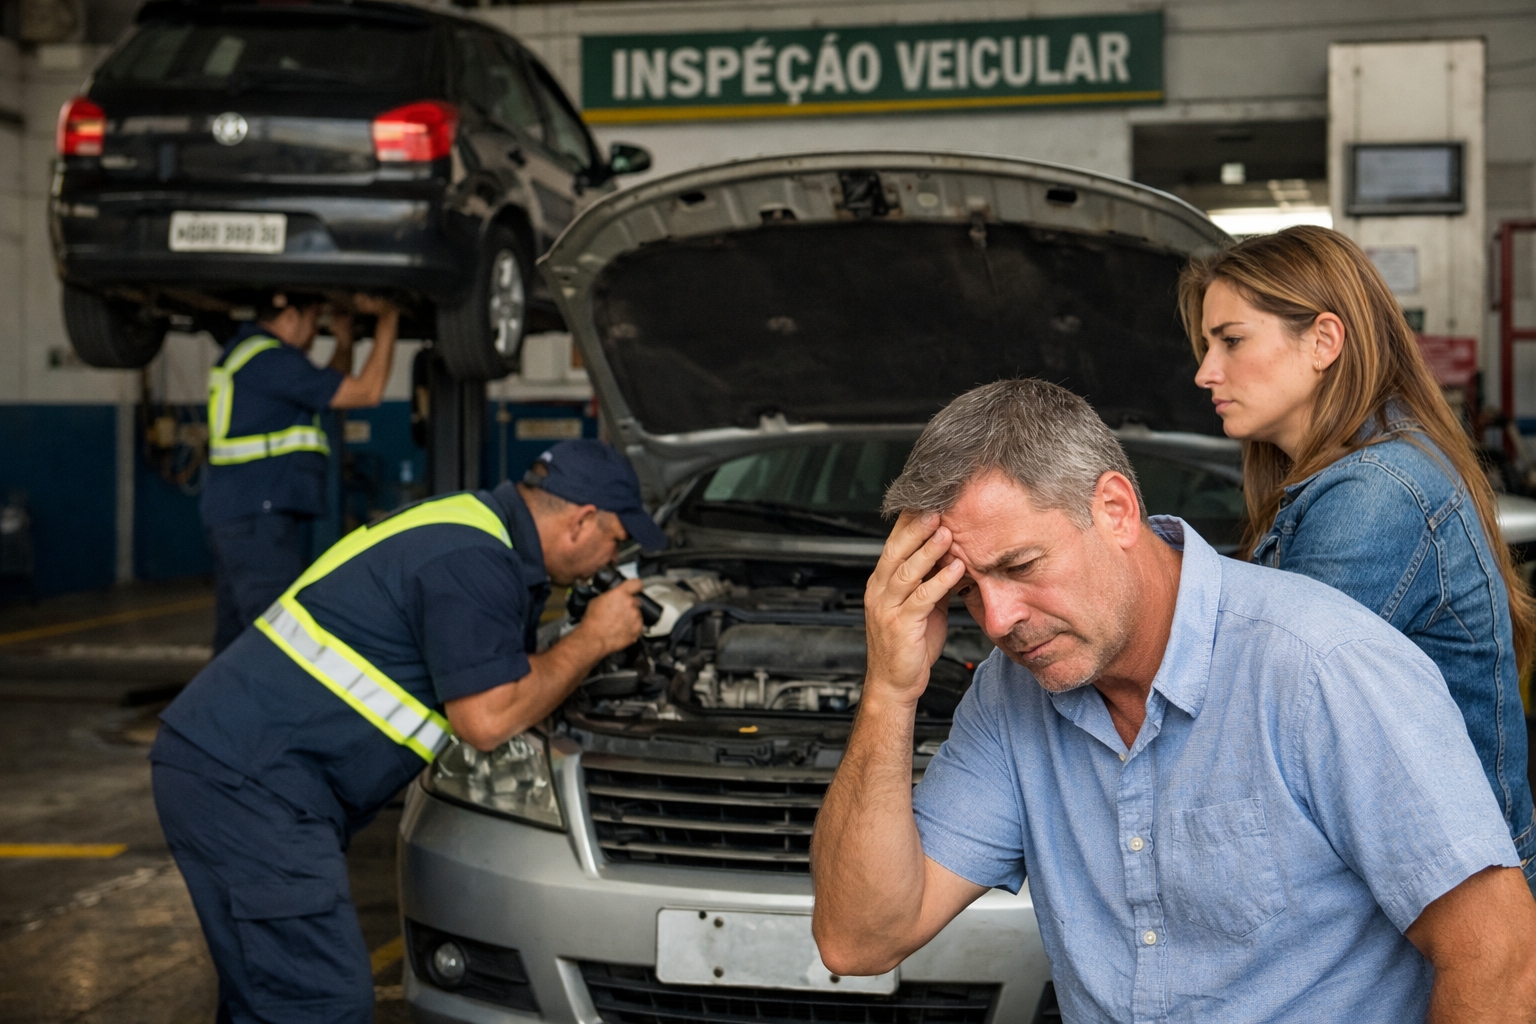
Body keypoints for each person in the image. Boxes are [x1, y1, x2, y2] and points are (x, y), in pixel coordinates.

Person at [811, 379, 1536, 1024]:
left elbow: (1501, 960)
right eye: (968, 590)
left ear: (1116, 509)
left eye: (1021, 566)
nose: (998, 621)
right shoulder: (1008, 695)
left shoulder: (1320, 667)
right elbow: (859, 938)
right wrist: (889, 691)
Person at [152, 439, 669, 1024]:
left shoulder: (473, 527)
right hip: (248, 787)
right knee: (319, 1004)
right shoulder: (473, 559)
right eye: (615, 542)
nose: (611, 560)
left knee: (270, 1000)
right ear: (581, 520)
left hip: (239, 770)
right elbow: (488, 719)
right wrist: (594, 639)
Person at [1183, 225, 1536, 889]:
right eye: (1207, 345)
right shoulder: (1352, 475)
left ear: (1323, 341)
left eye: (1230, 341)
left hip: (1460, 910)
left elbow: (1263, 729)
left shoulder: (1373, 496)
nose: (1206, 371)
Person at [201, 290, 400, 653]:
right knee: (279, 640)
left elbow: (325, 392)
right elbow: (365, 393)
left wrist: (343, 342)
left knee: (236, 643)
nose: (314, 333)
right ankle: (272, 711)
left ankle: (215, 710)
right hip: (256, 519)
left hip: (241, 513)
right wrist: (389, 318)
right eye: (313, 321)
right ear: (290, 316)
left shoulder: (252, 356)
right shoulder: (271, 360)